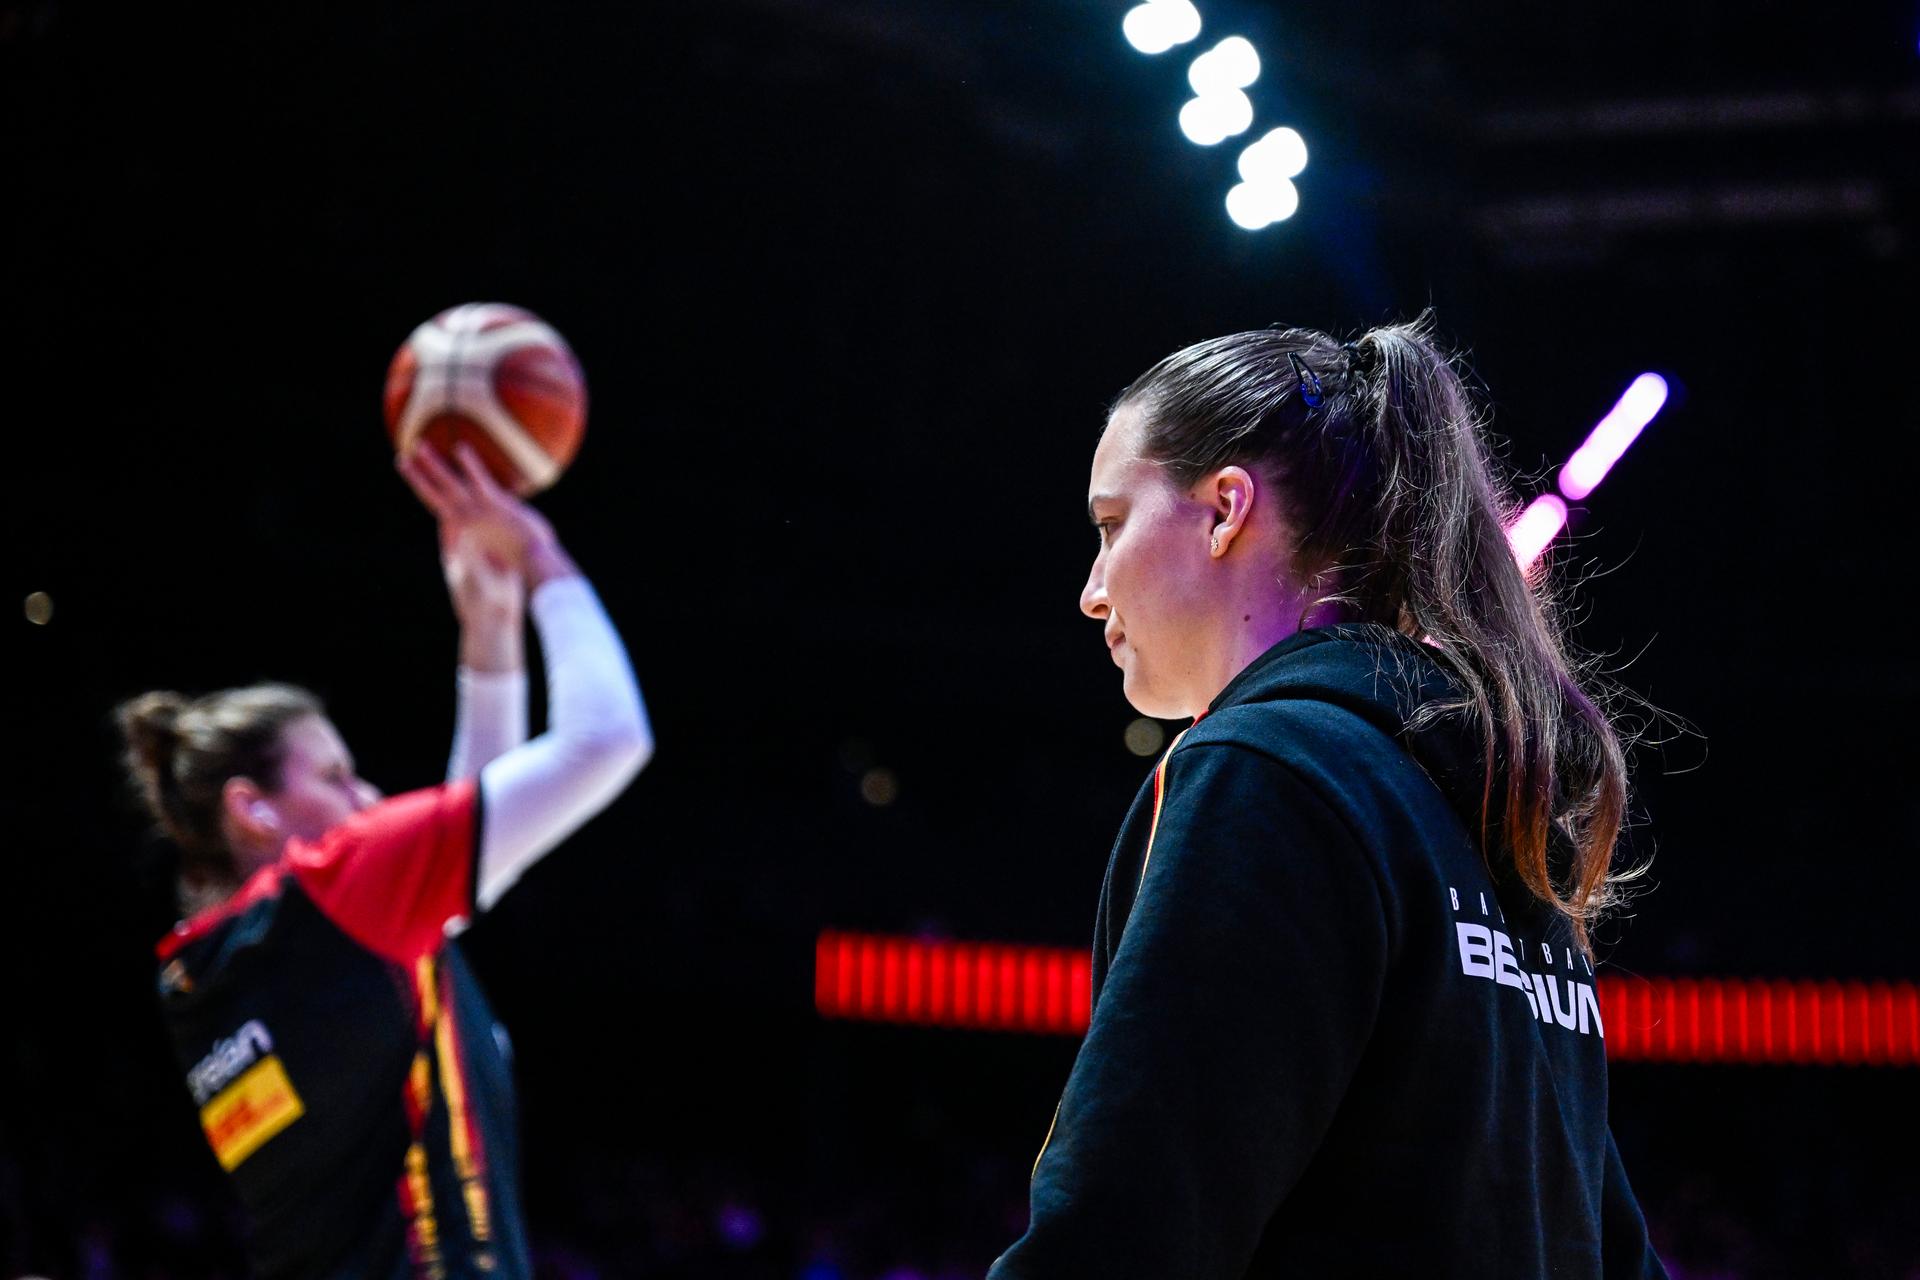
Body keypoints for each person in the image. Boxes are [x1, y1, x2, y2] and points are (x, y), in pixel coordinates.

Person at [989, 317, 1667, 1279]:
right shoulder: (1490, 801)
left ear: (1226, 509)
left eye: (1109, 527)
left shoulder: (1264, 768)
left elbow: (1127, 1226)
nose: (1094, 591)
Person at [120, 443, 652, 1279]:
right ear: (252, 808)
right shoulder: (333, 891)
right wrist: (541, 556)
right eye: (335, 775)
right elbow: (607, 739)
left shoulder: (206, 974)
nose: (367, 794)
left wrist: (490, 631)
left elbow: (467, 875)